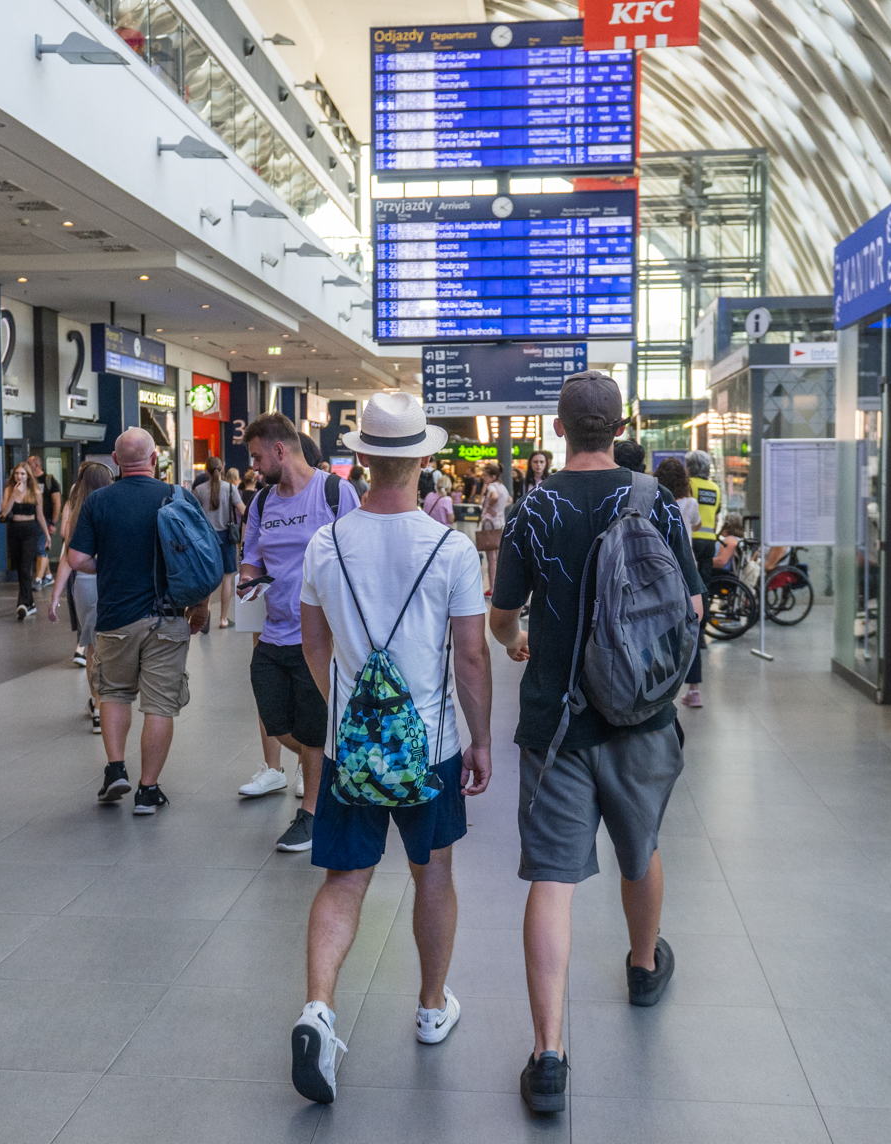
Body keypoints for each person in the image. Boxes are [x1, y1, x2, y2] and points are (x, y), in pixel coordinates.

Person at [488, 371, 703, 1113]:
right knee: (639, 849)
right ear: (618, 428)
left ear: (558, 428)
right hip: (641, 714)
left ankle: (548, 1056)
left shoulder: (533, 507)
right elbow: (693, 604)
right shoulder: (655, 501)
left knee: (552, 877)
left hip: (557, 722)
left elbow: (503, 612)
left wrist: (518, 641)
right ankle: (644, 966)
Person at [290, 390, 493, 1106]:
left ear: (363, 459)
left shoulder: (325, 543)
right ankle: (433, 1005)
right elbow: (471, 657)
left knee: (344, 880)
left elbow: (312, 643)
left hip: (351, 747)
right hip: (430, 745)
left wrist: (349, 708)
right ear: (424, 459)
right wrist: (481, 740)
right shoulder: (451, 548)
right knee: (431, 871)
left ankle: (318, 1008)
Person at [237, 412, 361, 852]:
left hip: (321, 637)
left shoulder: (334, 492)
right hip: (274, 632)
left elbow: (358, 553)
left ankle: (311, 813)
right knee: (276, 717)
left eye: (255, 456)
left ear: (279, 450)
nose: (253, 466)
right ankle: (334, 763)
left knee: (311, 728)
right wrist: (247, 579)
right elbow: (252, 557)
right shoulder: (262, 502)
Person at [67, 428, 209, 813]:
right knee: (160, 705)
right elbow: (201, 557)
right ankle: (148, 790)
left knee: (113, 693)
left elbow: (77, 558)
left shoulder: (98, 501)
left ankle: (115, 770)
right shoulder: (176, 496)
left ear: (115, 461)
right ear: (154, 459)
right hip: (167, 617)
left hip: (115, 619)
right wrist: (201, 606)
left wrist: (106, 565)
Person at [49, 461, 113, 733]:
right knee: (112, 644)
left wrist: (54, 598)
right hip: (114, 583)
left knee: (91, 646)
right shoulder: (115, 508)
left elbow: (68, 557)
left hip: (85, 585)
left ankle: (98, 706)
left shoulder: (76, 512)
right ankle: (108, 704)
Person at [655, 457, 704, 708]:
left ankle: (660, 683)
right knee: (692, 625)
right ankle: (693, 689)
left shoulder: (657, 500)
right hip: (688, 565)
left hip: (664, 566)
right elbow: (697, 524)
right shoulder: (691, 502)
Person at [194, 457, 245, 630]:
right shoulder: (231, 489)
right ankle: (223, 619)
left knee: (207, 578)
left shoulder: (199, 490)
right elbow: (243, 510)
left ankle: (204, 614)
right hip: (226, 538)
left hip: (206, 538)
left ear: (206, 471)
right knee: (226, 579)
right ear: (222, 469)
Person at [0, 463, 47, 620]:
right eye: (16, 474)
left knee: (26, 567)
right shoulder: (9, 491)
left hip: (31, 530)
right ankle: (30, 603)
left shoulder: (35, 492)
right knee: (20, 568)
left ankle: (22, 603)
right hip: (14, 530)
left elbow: (40, 515)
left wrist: (47, 536)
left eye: (22, 474)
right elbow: (4, 513)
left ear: (28, 476)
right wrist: (13, 495)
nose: (19, 477)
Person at [27, 455, 62, 590]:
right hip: (32, 520)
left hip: (46, 520)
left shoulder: (49, 481)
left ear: (36, 465)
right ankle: (48, 576)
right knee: (39, 548)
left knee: (41, 548)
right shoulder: (29, 481)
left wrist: (53, 523)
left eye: (29, 464)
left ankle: (37, 580)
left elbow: (57, 502)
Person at [477, 461, 511, 598]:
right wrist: (499, 510)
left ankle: (492, 588)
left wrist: (489, 508)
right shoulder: (502, 487)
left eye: (485, 475)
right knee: (497, 556)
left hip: (489, 523)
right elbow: (509, 499)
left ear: (492, 476)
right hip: (500, 522)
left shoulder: (491, 487)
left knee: (491, 558)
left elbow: (494, 496)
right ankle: (498, 585)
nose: (483, 477)